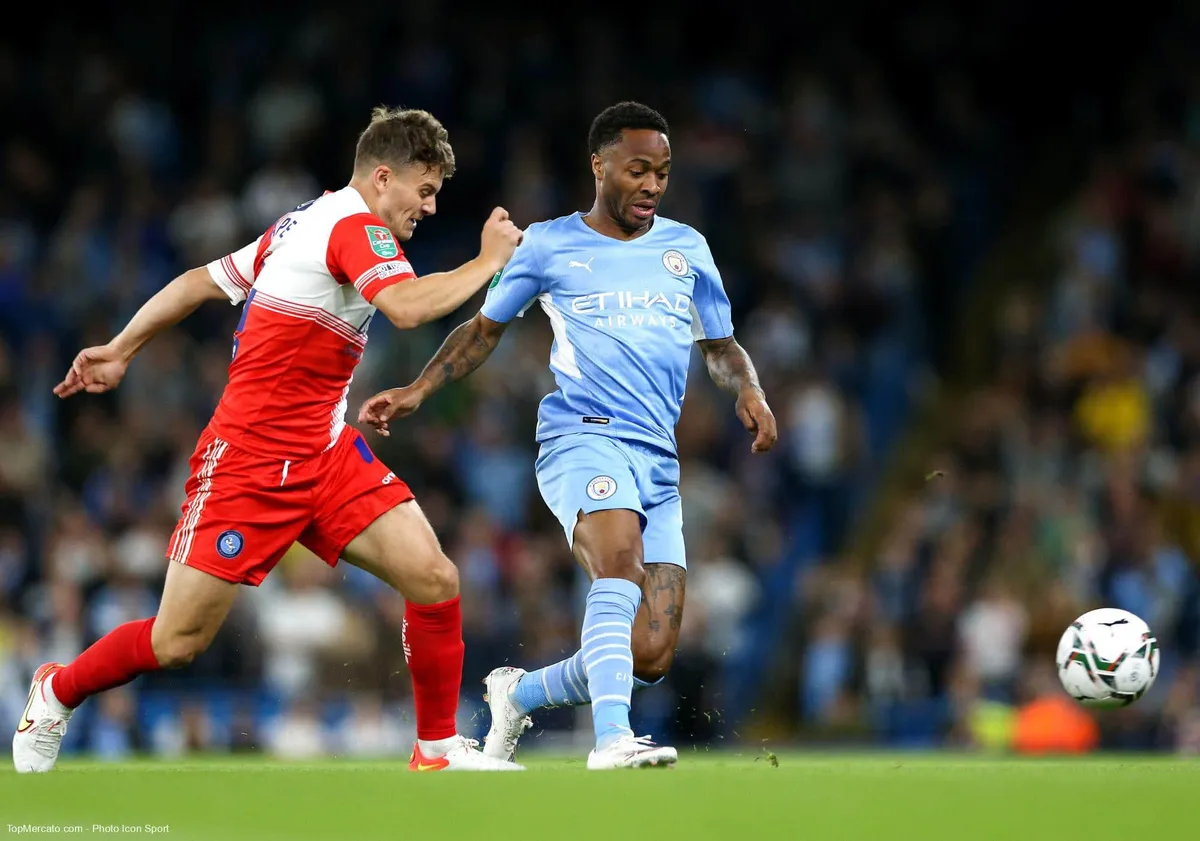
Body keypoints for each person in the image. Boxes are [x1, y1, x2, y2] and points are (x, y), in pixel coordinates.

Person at [13, 107, 525, 773]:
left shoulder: (302, 222)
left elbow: (200, 282)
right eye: (423, 190)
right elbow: (406, 308)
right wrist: (489, 258)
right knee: (177, 641)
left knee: (433, 577)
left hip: (324, 449)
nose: (429, 208)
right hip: (249, 461)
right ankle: (55, 689)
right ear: (382, 177)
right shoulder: (352, 227)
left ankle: (435, 749)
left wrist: (120, 346)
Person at [358, 101, 778, 769]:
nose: (651, 186)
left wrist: (749, 388)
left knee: (651, 653)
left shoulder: (686, 248)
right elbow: (482, 330)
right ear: (599, 164)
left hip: (657, 460)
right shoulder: (549, 244)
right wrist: (419, 391)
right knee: (618, 559)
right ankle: (612, 737)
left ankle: (520, 693)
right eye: (637, 170)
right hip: (582, 435)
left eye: (662, 174)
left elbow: (722, 346)